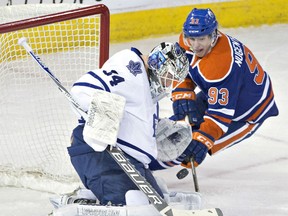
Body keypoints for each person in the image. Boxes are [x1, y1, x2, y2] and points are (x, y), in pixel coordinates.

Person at [149, 8, 279, 170]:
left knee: (189, 146)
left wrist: (203, 140)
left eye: (201, 39)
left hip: (247, 113)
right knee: (178, 125)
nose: (195, 45)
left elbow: (219, 117)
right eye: (191, 38)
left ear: (213, 35)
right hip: (222, 93)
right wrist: (183, 94)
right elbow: (182, 68)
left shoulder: (221, 66)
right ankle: (141, 153)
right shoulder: (187, 41)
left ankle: (147, 167)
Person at [63, 42, 189, 206]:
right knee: (133, 205)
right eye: (170, 77)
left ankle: (89, 197)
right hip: (101, 154)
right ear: (157, 65)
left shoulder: (147, 89)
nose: (169, 84)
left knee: (154, 202)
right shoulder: (131, 72)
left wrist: (158, 135)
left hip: (125, 160)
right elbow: (82, 90)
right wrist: (104, 116)